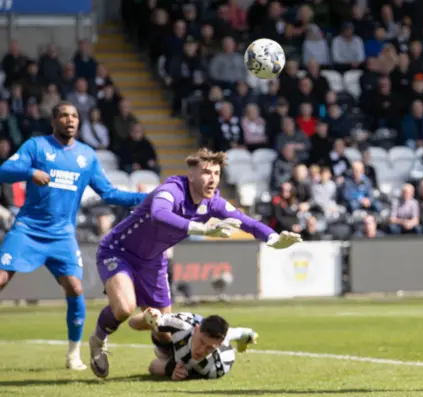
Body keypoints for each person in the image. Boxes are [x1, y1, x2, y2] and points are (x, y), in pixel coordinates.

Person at [88, 148, 302, 378]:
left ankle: (166, 358)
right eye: (207, 173)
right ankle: (98, 340)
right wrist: (203, 228)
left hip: (153, 261)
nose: (213, 179)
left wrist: (273, 238)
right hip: (119, 250)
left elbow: (247, 222)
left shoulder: (213, 203)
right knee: (124, 307)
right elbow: (160, 214)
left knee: (163, 329)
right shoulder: (171, 190)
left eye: (217, 173)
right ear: (191, 174)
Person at [0, 101, 146, 370]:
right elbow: (4, 171)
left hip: (62, 235)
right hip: (28, 229)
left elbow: (109, 193)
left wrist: (145, 197)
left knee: (76, 288)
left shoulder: (87, 156)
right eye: (65, 116)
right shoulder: (36, 146)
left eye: (75, 116)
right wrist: (30, 172)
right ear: (53, 120)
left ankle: (72, 355)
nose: (70, 120)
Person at [143, 308, 258, 381]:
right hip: (184, 340)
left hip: (188, 362)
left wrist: (178, 373)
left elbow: (243, 334)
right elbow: (246, 333)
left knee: (154, 367)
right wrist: (154, 313)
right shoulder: (185, 323)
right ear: (196, 329)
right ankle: (165, 349)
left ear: (219, 345)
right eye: (202, 342)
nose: (201, 350)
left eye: (209, 348)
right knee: (155, 333)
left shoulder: (215, 369)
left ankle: (167, 353)